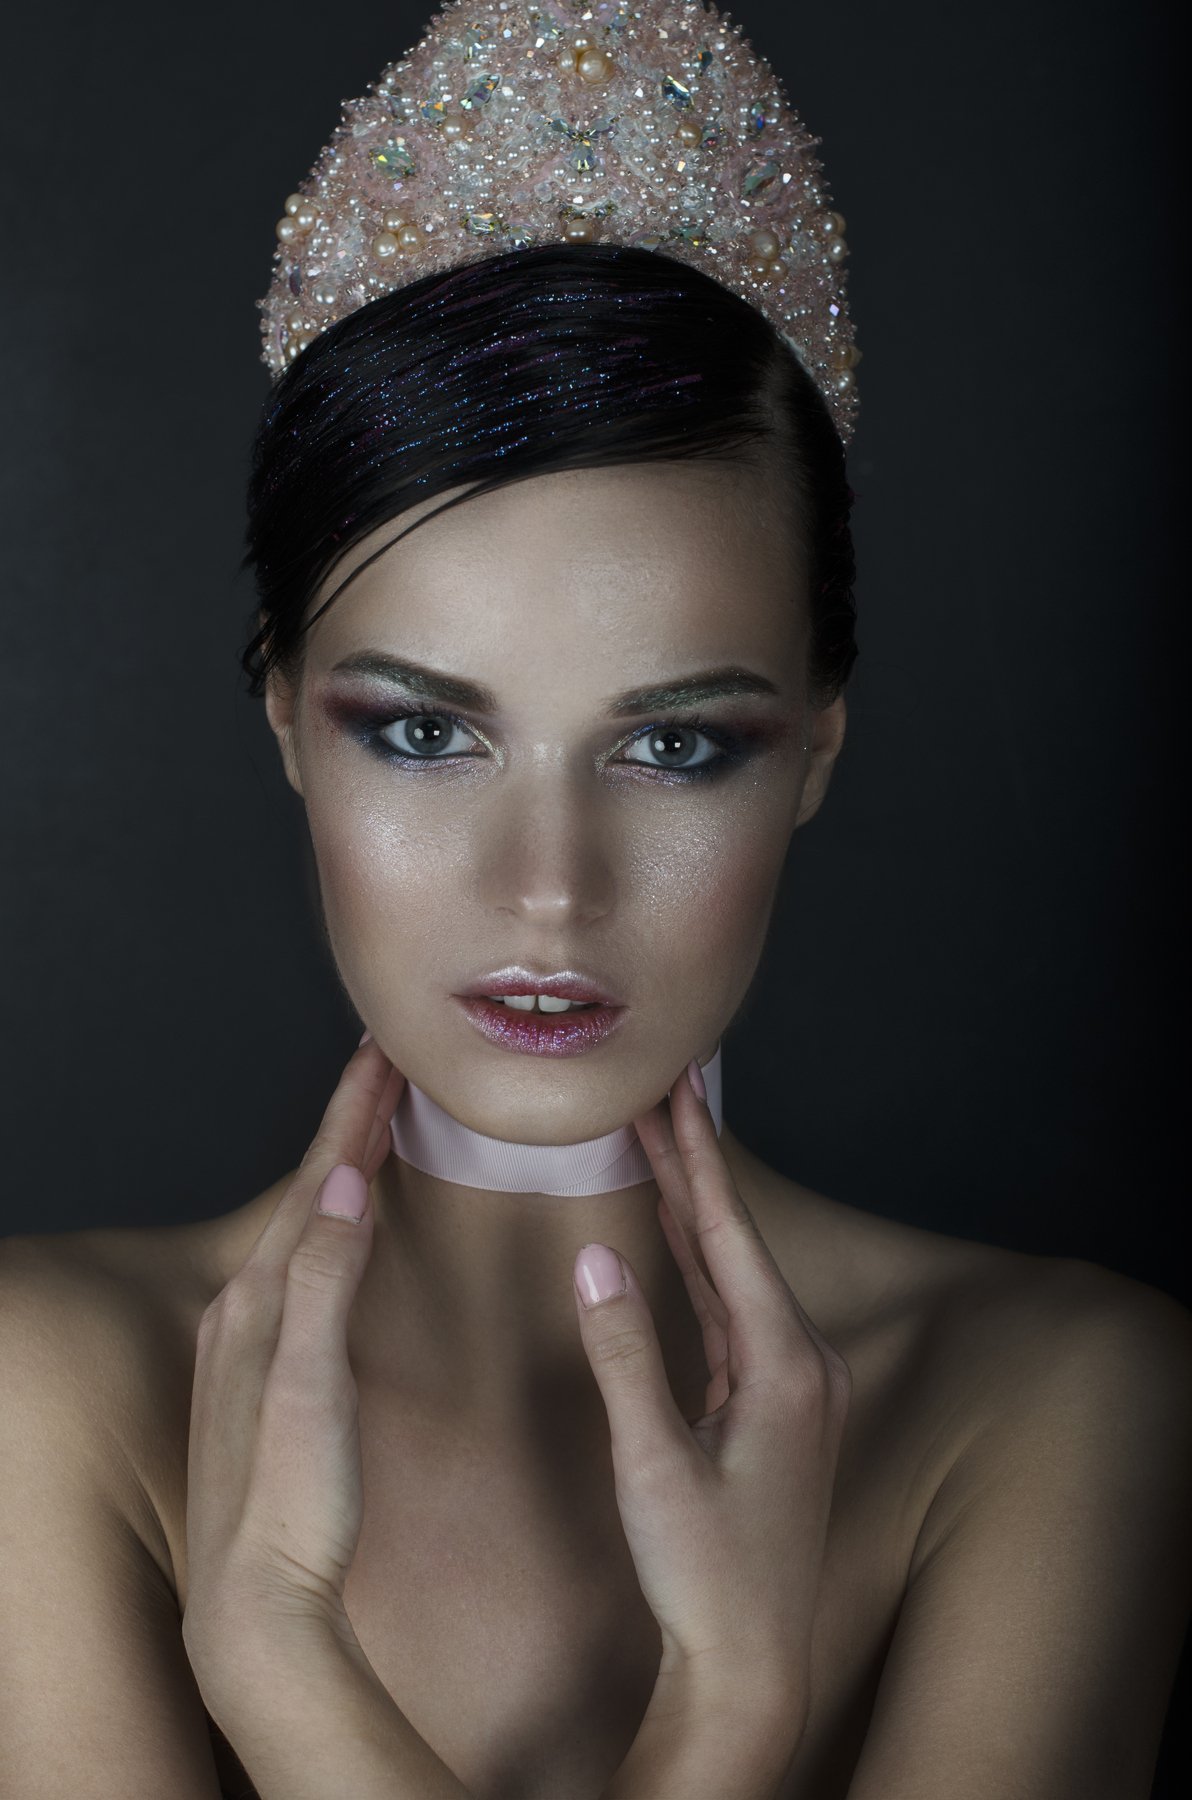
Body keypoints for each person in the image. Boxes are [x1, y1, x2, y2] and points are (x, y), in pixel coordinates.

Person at [2, 4, 1189, 1798]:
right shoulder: (48, 1392)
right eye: (424, 732)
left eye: (674, 747)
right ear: (288, 725)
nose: (549, 889)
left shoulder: (1049, 1401)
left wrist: (312, 1682)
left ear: (814, 750)